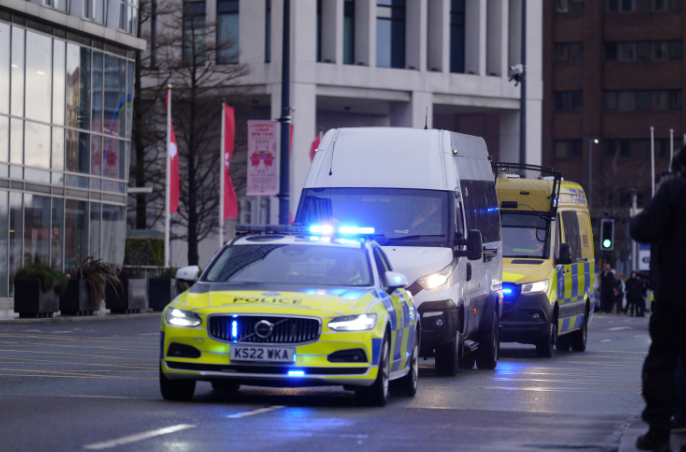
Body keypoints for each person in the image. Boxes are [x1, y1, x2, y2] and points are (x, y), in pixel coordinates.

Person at [630, 148, 686, 451]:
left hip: (675, 295)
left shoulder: (675, 190)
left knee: (662, 364)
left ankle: (659, 433)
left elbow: (642, 228)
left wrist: (660, 193)